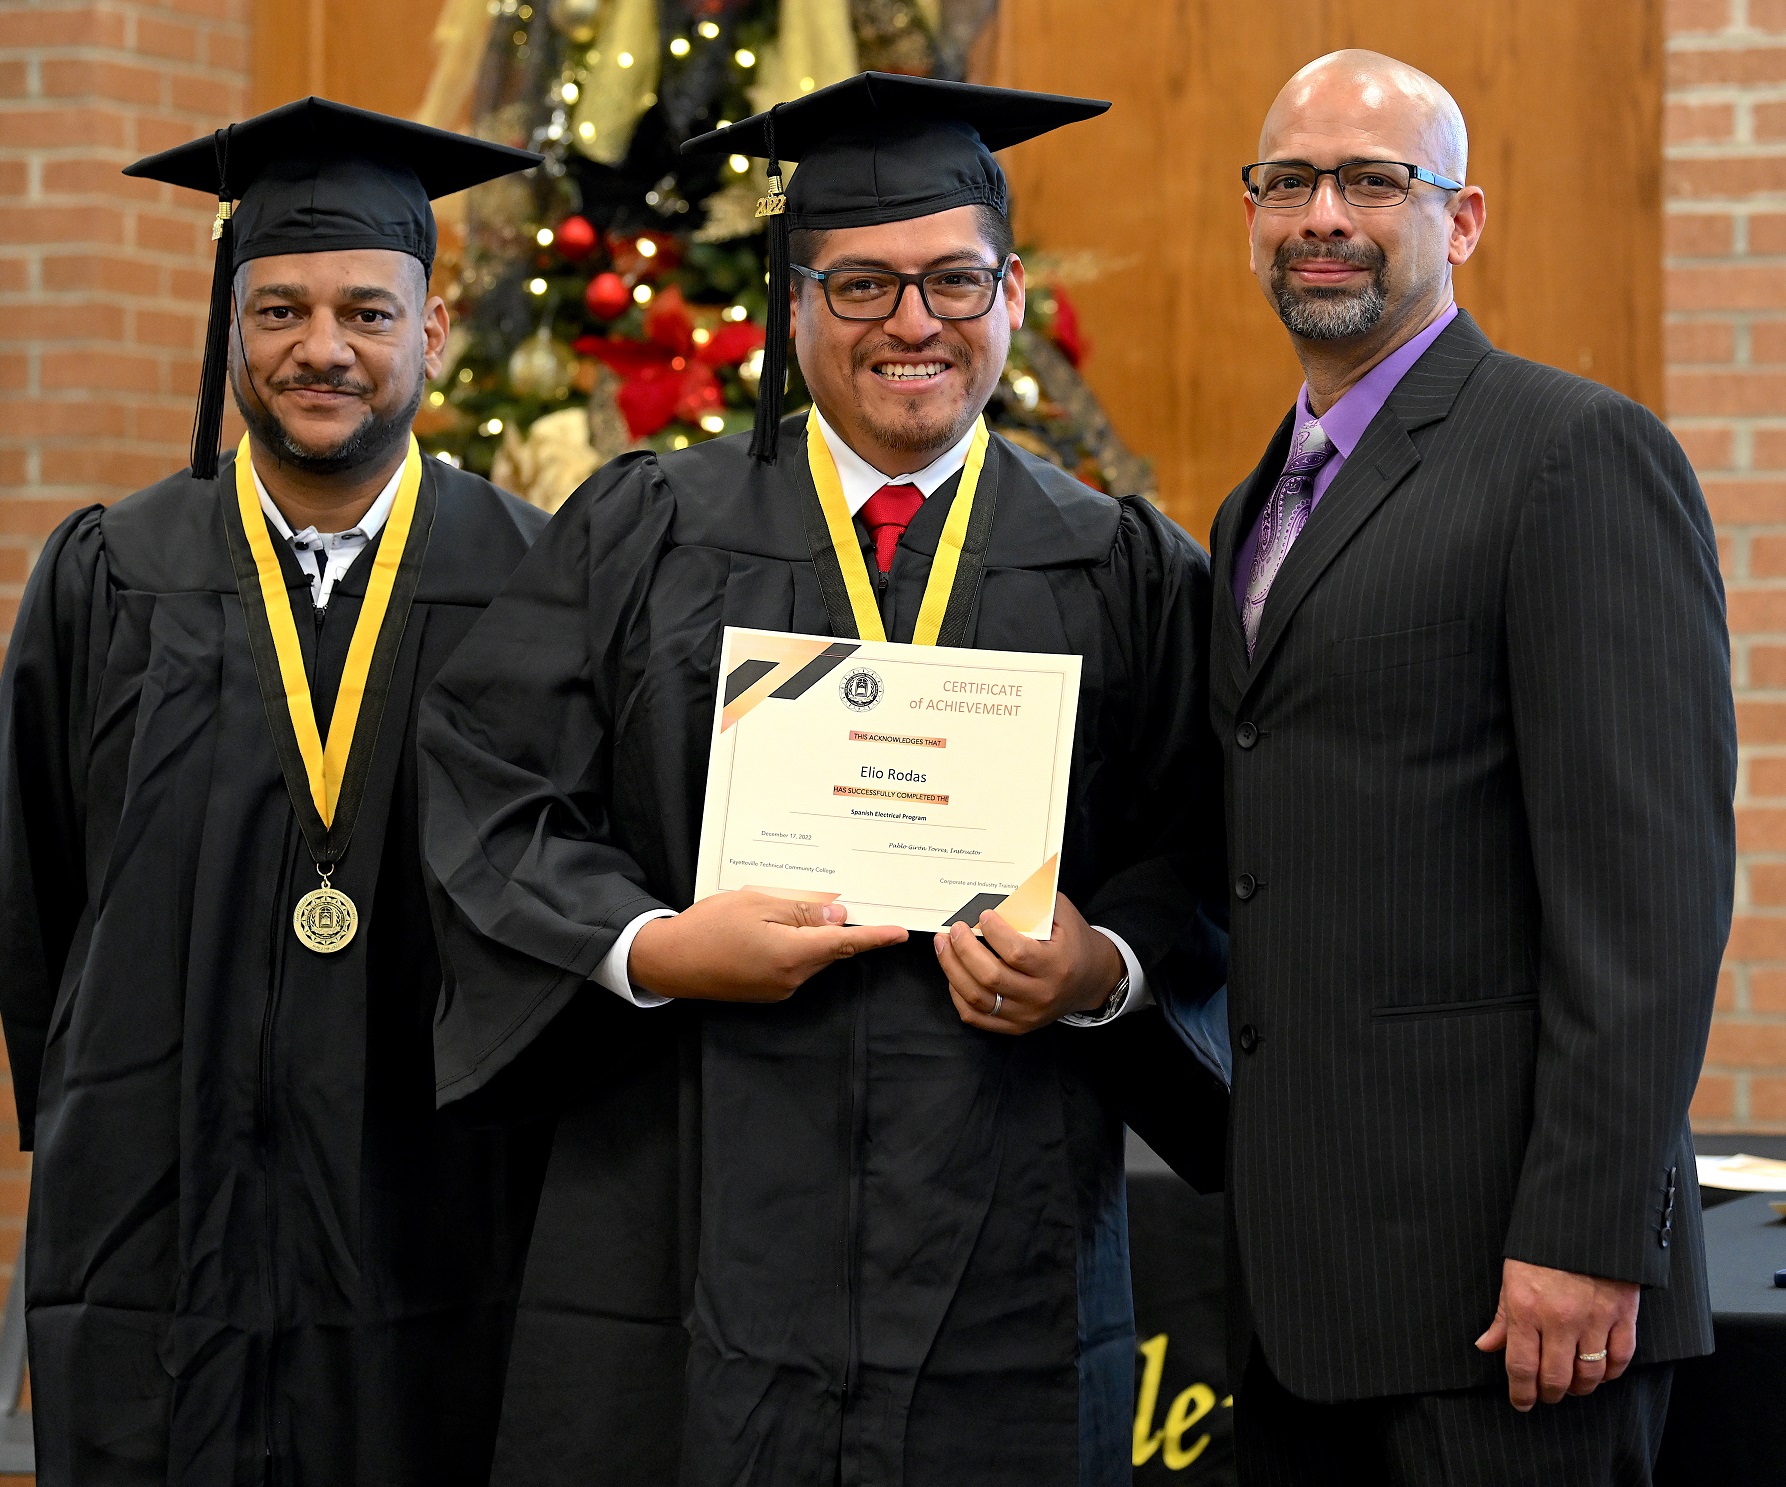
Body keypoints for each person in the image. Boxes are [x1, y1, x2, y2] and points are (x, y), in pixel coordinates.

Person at [418, 72, 1229, 1487]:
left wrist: (1101, 967)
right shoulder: (650, 530)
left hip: (1001, 1220)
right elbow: (490, 782)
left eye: (949, 282)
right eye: (859, 286)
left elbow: (1211, 839)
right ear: (792, 310)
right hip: (690, 1201)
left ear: (1012, 294)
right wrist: (652, 947)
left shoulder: (1119, 565)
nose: (911, 323)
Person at [0, 99, 554, 1484]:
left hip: (437, 1213)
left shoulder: (535, 578)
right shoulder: (112, 571)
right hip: (157, 1206)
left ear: (431, 334)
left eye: (367, 313)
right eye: (280, 312)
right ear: (228, 332)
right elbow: (37, 899)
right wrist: (95, 1115)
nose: (322, 349)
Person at [1206, 50, 1735, 1485]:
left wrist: (1582, 1233)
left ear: (1463, 218)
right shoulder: (1253, 510)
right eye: (1288, 182)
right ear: (1251, 214)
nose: (1322, 212)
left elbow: (1649, 893)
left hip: (1513, 1307)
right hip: (1308, 1294)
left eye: (1371, 180)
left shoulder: (1570, 456)